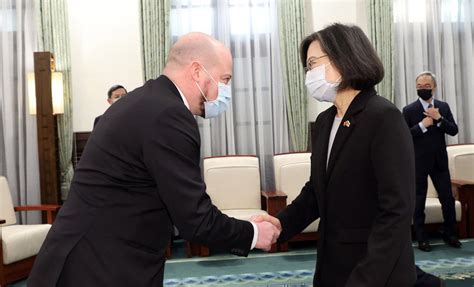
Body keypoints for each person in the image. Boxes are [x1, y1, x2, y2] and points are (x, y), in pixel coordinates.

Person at [28, 32, 280, 287]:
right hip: (96, 267)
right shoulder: (169, 115)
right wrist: (254, 233)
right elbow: (196, 220)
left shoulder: (144, 101)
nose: (225, 90)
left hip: (89, 258)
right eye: (225, 79)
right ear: (197, 71)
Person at [254, 23, 418, 287]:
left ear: (344, 57)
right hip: (332, 265)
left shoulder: (383, 117)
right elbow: (316, 192)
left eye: (313, 63)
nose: (309, 74)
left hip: (375, 272)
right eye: (307, 67)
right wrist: (279, 224)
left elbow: (396, 211)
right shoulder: (324, 122)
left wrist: (366, 279)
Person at [402, 71, 461, 252]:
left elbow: (453, 130)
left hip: (439, 163)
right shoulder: (409, 110)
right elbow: (404, 136)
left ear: (434, 87)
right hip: (418, 163)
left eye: (427, 86)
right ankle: (421, 238)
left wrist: (438, 119)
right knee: (418, 202)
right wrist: (422, 125)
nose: (423, 89)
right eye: (419, 87)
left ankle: (450, 234)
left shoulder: (442, 107)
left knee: (447, 200)